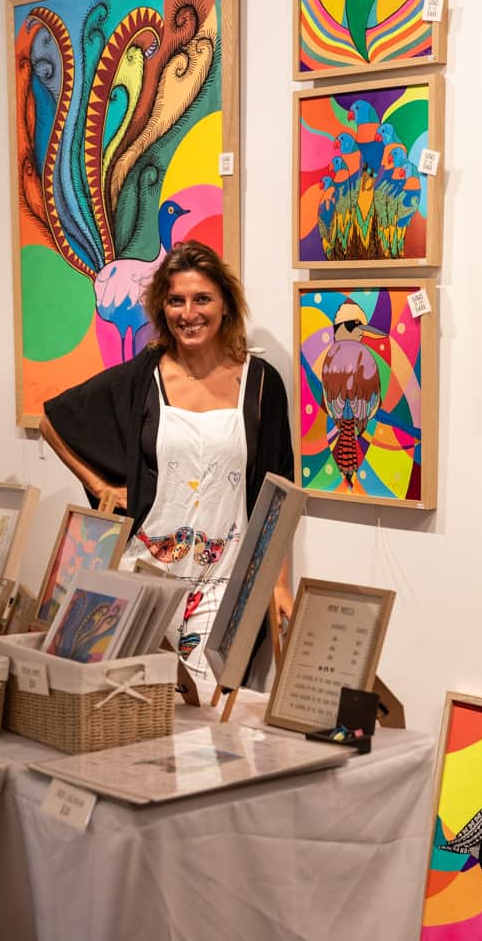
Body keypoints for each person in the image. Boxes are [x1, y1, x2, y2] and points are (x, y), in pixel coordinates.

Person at [39, 240, 293, 680]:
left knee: (205, 704)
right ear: (162, 307)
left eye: (202, 299)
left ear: (226, 306)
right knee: (132, 699)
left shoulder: (260, 383)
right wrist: (101, 487)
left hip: (223, 582)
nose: (188, 313)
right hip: (143, 574)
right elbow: (52, 421)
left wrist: (280, 582)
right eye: (176, 300)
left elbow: (280, 490)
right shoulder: (144, 376)